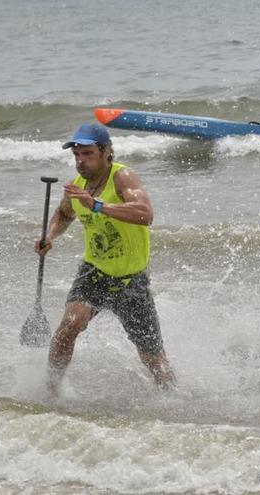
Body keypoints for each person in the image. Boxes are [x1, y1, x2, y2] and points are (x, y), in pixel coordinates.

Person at [36, 123, 176, 397]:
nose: (80, 161)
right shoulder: (76, 187)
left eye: (87, 154)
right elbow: (64, 214)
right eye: (76, 155)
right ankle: (50, 391)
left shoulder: (122, 177)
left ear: (106, 152)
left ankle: (175, 398)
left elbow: (145, 214)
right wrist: (49, 236)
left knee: (153, 359)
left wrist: (97, 205)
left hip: (131, 279)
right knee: (70, 325)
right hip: (94, 272)